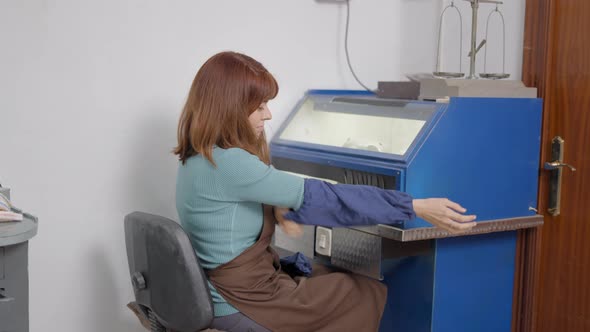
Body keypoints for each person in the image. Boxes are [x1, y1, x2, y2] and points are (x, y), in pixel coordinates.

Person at [173, 51, 476, 332]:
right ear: (231, 107)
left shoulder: (199, 158)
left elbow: (254, 192)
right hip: (242, 301)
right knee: (362, 291)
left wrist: (279, 208)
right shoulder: (232, 164)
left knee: (319, 274)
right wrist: (414, 206)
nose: (267, 115)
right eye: (260, 105)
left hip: (225, 291)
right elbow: (328, 197)